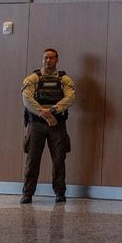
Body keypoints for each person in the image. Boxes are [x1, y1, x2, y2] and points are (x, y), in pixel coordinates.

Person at [21, 48, 76, 204]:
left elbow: (70, 98)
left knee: (59, 160)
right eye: (45, 58)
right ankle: (27, 194)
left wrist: (52, 111)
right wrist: (45, 114)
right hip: (36, 125)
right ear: (42, 59)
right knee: (32, 161)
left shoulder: (65, 80)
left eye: (51, 58)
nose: (48, 61)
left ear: (57, 60)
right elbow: (26, 99)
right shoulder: (32, 79)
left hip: (57, 125)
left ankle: (60, 193)